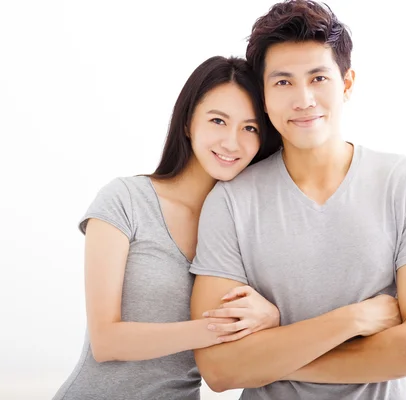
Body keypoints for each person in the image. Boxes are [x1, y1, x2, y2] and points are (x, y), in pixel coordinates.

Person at [188, 1, 406, 399]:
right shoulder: (231, 202)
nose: (304, 99)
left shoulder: (402, 182)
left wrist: (271, 358)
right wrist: (353, 319)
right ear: (263, 95)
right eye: (282, 82)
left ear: (346, 84)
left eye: (318, 78)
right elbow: (221, 369)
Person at [52, 56, 284, 400]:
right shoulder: (125, 199)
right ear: (188, 122)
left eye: (249, 128)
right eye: (218, 120)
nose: (232, 142)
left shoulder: (244, 230)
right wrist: (225, 326)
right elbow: (106, 341)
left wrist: (272, 316)